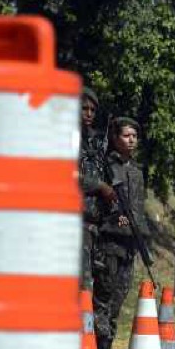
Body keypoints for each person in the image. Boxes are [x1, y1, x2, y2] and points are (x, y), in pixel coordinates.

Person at [92, 117, 150, 349]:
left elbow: (138, 209)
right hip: (109, 242)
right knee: (103, 299)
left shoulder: (136, 172)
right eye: (127, 135)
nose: (132, 140)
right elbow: (97, 199)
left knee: (117, 301)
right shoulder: (106, 166)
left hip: (129, 245)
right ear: (115, 138)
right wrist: (114, 216)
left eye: (135, 136)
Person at [78, 87, 117, 290]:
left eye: (93, 110)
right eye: (84, 108)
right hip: (76, 222)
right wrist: (100, 186)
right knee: (82, 285)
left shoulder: (95, 142)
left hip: (96, 224)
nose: (89, 114)